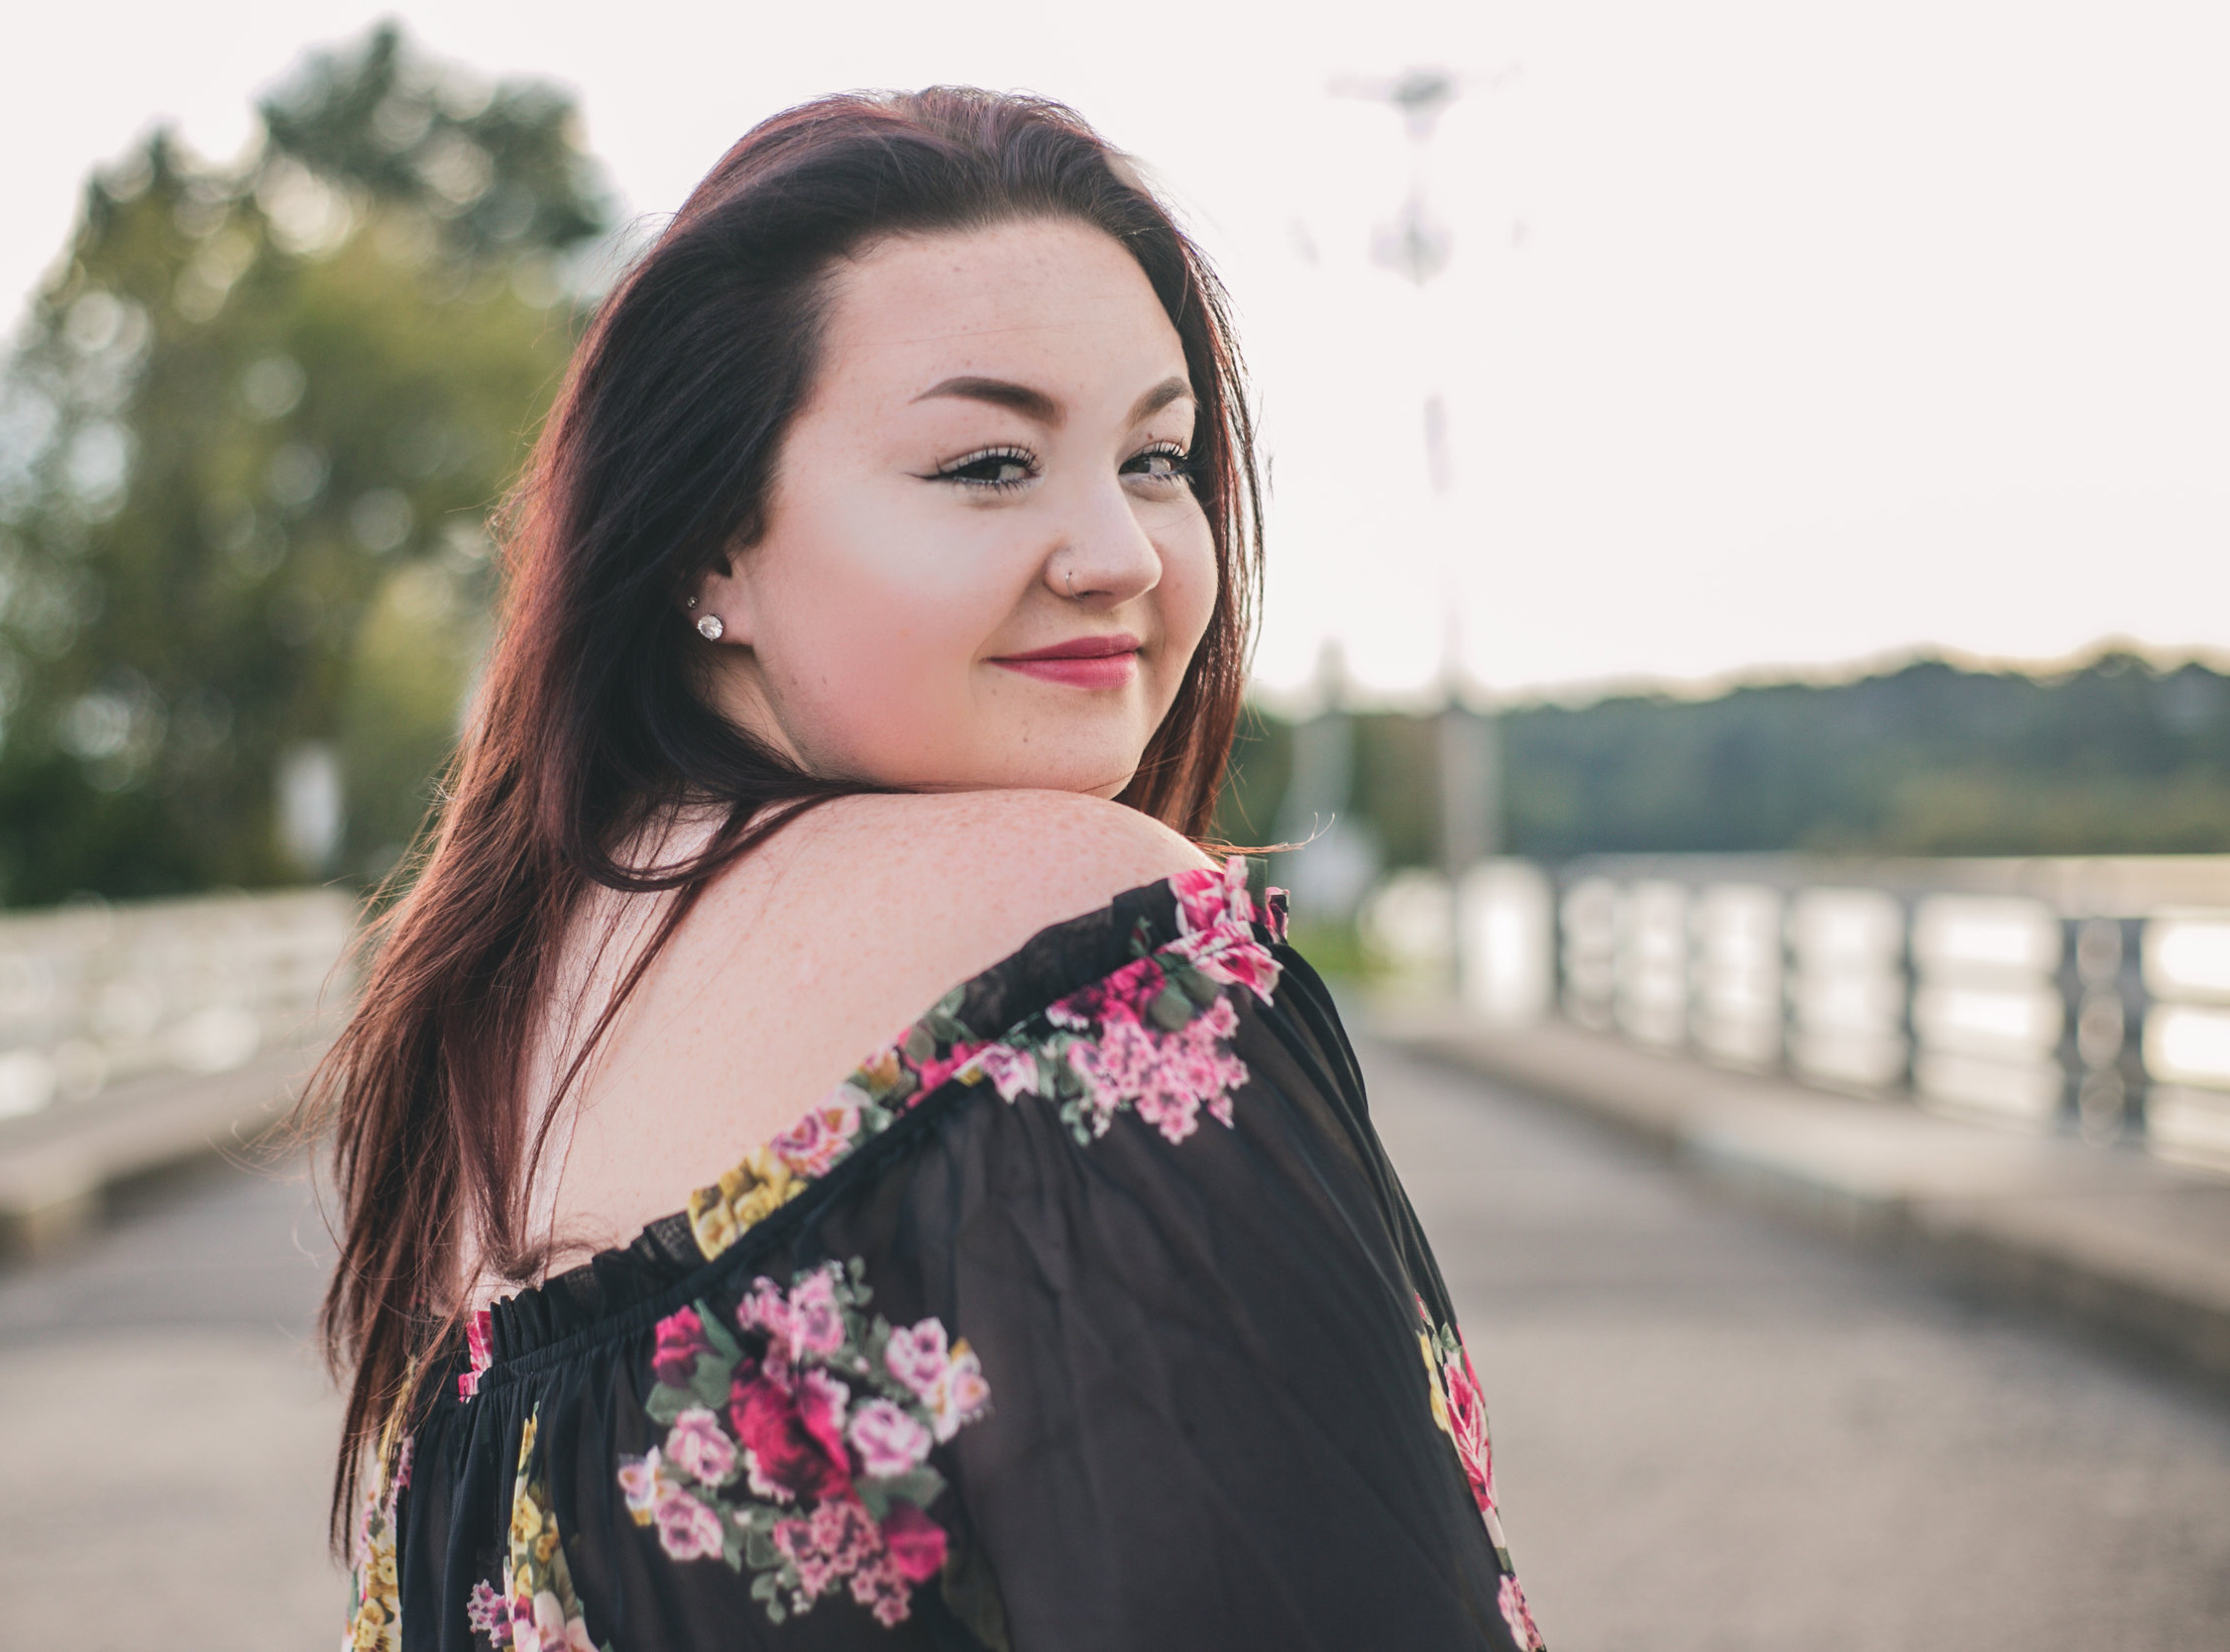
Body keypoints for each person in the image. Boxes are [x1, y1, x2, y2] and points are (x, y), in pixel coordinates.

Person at [319, 87, 1546, 1652]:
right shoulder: (1084, 938)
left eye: (1158, 458)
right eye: (986, 465)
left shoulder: (501, 1004)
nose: (1119, 552)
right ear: (710, 542)